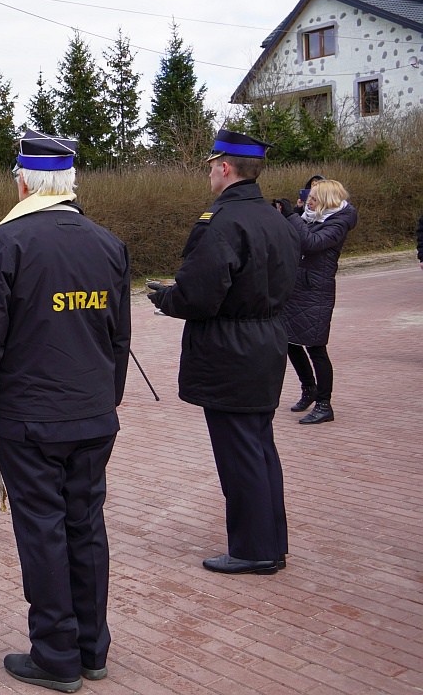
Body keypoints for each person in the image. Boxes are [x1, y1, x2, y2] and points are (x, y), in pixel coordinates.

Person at [0, 130, 131, 692]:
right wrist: (109, 397)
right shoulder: (107, 242)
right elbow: (118, 338)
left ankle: (56, 656)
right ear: (70, 181)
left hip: (31, 418)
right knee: (86, 526)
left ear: (25, 180)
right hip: (91, 411)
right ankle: (91, 649)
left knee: (42, 532)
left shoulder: (7, 242)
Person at [147, 129, 300, 576]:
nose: (211, 172)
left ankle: (254, 550)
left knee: (240, 454)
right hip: (267, 339)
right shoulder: (277, 219)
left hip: (231, 348)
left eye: (213, 165)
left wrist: (168, 299)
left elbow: (201, 294)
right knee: (259, 447)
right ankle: (270, 542)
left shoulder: (223, 221)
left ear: (226, 168)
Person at [281, 179, 358, 424]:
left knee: (316, 348)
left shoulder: (339, 222)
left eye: (313, 198)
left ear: (325, 200)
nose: (308, 201)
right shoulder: (310, 217)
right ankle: (309, 389)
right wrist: (290, 215)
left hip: (316, 291)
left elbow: (311, 243)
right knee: (290, 342)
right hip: (297, 289)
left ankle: (325, 404)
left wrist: (293, 218)